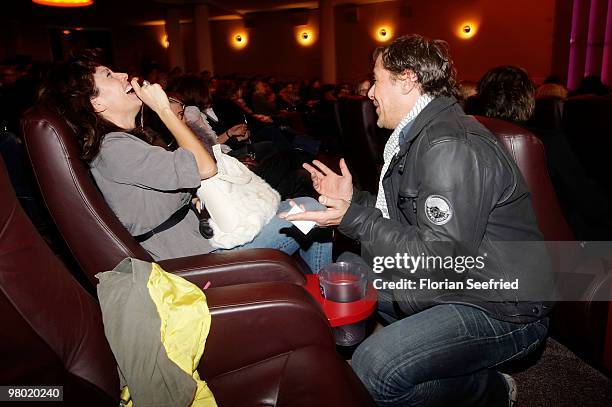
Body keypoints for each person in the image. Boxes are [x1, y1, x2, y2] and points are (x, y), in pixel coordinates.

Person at [283, 34, 552, 406]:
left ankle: (490, 391)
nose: (369, 92)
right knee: (350, 271)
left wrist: (353, 217)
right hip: (465, 278)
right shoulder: (417, 134)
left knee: (373, 369)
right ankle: (438, 358)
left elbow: (438, 257)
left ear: (407, 79)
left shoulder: (448, 146)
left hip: (506, 306)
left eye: (376, 80)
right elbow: (406, 220)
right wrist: (352, 201)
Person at [38, 50, 332, 273]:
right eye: (109, 76)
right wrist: (165, 110)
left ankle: (317, 289)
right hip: (195, 264)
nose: (124, 76)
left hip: (209, 241)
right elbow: (205, 167)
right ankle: (331, 302)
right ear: (96, 103)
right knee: (313, 208)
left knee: (302, 205)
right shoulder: (115, 149)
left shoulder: (124, 142)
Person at [476, 65, 611, 240]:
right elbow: (593, 206)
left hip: (491, 246)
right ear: (529, 99)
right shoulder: (547, 142)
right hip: (555, 250)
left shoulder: (468, 138)